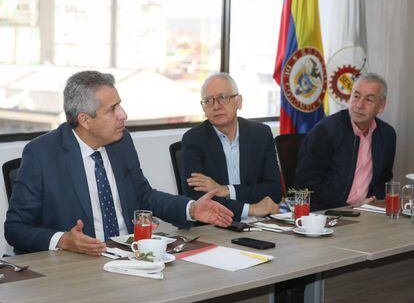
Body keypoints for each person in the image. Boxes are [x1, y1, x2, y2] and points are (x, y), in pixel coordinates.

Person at [4, 71, 233, 255]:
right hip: (77, 267)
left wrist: (191, 208)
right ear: (85, 119)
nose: (123, 115)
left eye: (120, 105)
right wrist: (62, 240)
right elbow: (15, 228)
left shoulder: (121, 141)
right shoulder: (42, 153)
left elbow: (144, 196)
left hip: (128, 255)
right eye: (112, 109)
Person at [181, 73, 282, 220]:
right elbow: (198, 199)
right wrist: (251, 209)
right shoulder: (194, 140)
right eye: (208, 101)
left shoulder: (261, 134)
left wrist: (227, 190)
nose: (216, 106)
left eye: (223, 97)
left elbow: (274, 190)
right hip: (216, 226)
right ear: (203, 108)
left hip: (261, 224)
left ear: (239, 101)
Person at [295, 72, 396, 211]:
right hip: (329, 214)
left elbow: (384, 180)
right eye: (356, 96)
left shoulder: (387, 135)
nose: (359, 105)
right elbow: (306, 186)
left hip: (368, 213)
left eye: (369, 100)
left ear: (381, 105)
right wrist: (346, 207)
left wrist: (372, 201)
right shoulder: (325, 132)